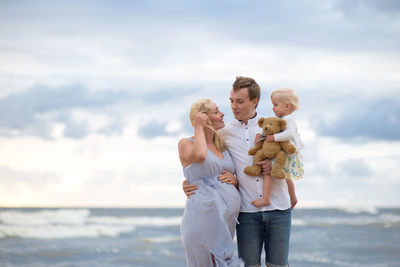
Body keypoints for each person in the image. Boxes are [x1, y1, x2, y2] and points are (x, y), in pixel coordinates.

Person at [183, 77, 292, 267]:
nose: (233, 106)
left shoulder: (270, 126)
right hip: (247, 212)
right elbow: (204, 159)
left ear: (255, 101)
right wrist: (188, 181)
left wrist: (279, 172)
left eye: (240, 101)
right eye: (231, 101)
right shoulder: (223, 132)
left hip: (279, 207)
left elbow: (290, 159)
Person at [178, 98, 243, 267]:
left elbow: (234, 171)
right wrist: (198, 127)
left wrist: (235, 181)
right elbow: (200, 156)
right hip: (203, 215)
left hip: (226, 220)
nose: (222, 114)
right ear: (204, 118)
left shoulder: (222, 144)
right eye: (216, 111)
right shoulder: (185, 143)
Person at [251, 88, 304, 209]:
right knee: (285, 175)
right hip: (283, 151)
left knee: (269, 171)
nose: (273, 108)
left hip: (288, 151)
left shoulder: (289, 119)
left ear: (287, 106)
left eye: (275, 105)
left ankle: (266, 197)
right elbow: (270, 127)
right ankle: (292, 197)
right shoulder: (280, 120)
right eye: (272, 105)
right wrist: (261, 134)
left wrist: (273, 138)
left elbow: (289, 133)